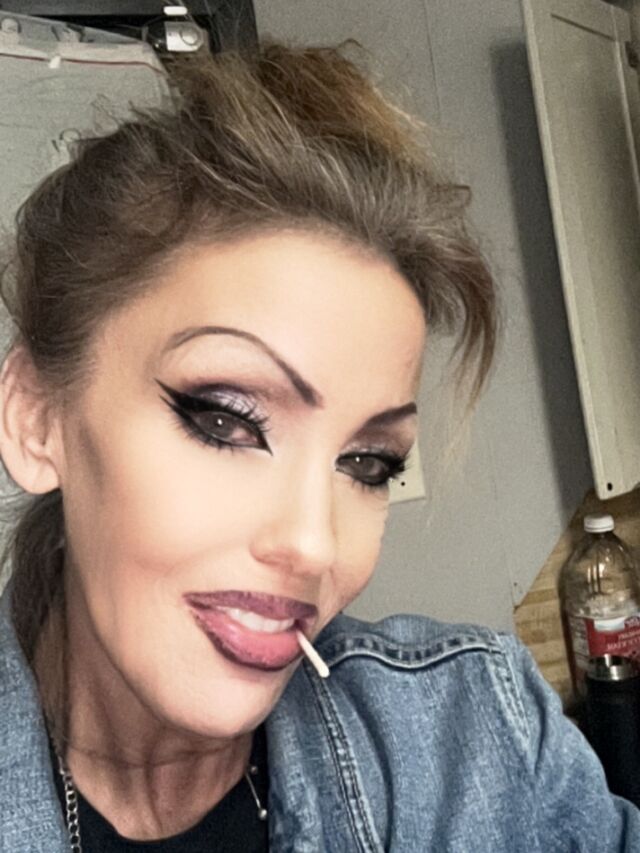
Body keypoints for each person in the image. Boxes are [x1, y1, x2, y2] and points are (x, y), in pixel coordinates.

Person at [0, 38, 637, 853]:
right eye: (225, 420)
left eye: (368, 464)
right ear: (36, 416)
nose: (312, 544)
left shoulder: (480, 738)